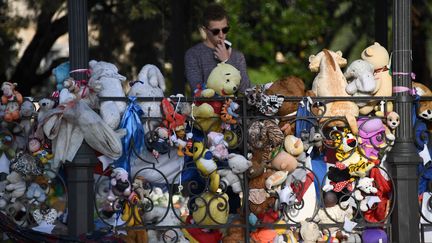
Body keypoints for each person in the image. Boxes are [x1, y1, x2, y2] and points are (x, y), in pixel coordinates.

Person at [184, 3, 251, 94]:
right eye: (216, 31)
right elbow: (197, 90)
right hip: (206, 107)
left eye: (225, 30)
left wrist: (227, 61)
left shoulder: (237, 56)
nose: (221, 35)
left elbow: (246, 90)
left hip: (234, 107)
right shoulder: (193, 54)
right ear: (205, 30)